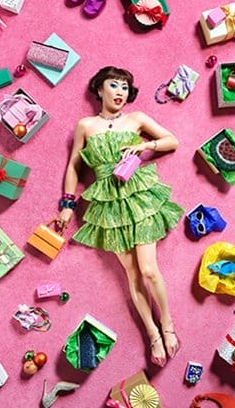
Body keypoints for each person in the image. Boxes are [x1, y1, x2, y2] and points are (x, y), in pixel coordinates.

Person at [56, 66, 184, 367]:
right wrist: (67, 204)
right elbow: (74, 166)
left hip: (136, 195)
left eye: (125, 87)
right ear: (99, 89)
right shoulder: (85, 125)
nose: (120, 92)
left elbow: (171, 140)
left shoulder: (136, 119)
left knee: (150, 270)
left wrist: (145, 146)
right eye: (114, 85)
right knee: (132, 273)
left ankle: (167, 323)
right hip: (107, 204)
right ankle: (152, 333)